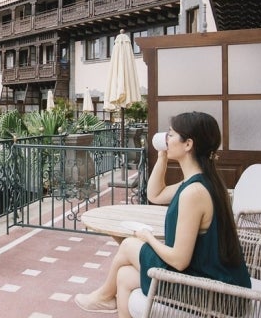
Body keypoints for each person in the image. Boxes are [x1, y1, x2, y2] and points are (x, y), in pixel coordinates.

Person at [75, 111, 251, 316]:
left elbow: (179, 260)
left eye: (171, 134)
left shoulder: (194, 193)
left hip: (216, 294)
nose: (166, 139)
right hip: (210, 281)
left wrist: (147, 237)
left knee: (130, 244)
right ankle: (105, 298)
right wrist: (162, 157)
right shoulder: (202, 181)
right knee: (123, 276)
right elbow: (155, 194)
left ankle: (104, 297)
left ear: (188, 144)